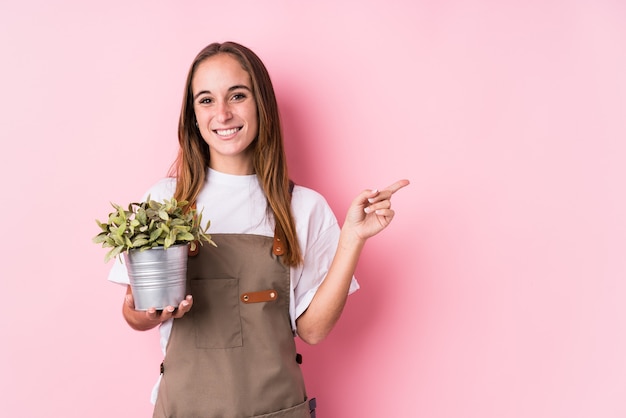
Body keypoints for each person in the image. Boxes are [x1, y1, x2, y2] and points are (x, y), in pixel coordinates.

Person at [108, 41, 409, 418]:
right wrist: (151, 312)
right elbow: (134, 312)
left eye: (237, 95)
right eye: (205, 100)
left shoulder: (304, 207)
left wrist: (353, 237)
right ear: (193, 116)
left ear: (260, 103)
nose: (222, 113)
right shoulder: (164, 203)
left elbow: (312, 331)